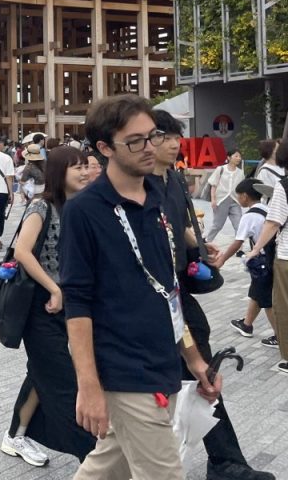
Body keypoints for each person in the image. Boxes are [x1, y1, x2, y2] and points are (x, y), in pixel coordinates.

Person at [60, 95, 221, 479]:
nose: (150, 147)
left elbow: (169, 289)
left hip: (161, 356)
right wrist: (88, 386)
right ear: (104, 148)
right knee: (164, 472)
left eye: (153, 135)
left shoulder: (159, 197)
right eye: (135, 141)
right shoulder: (84, 211)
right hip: (122, 368)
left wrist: (194, 359)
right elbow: (77, 303)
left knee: (107, 465)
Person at [151, 109, 273, 480]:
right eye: (164, 136)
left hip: (175, 290)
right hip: (147, 298)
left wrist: (202, 248)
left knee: (201, 370)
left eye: (176, 136)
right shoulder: (135, 186)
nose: (174, 144)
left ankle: (224, 461)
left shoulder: (172, 179)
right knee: (169, 381)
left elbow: (179, 225)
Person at [3, 146, 94, 467]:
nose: (85, 172)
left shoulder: (78, 206)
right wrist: (54, 288)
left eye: (86, 166)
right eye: (77, 168)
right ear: (59, 172)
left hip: (68, 304)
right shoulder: (41, 206)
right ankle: (92, 456)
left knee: (41, 372)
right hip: (39, 305)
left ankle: (15, 435)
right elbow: (22, 251)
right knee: (63, 379)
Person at [244, 137, 288, 376]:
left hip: (286, 256)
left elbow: (272, 222)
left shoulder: (284, 186)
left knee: (284, 307)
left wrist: (255, 249)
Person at [217, 179, 277, 346]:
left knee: (266, 300)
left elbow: (238, 243)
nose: (238, 199)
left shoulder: (249, 216)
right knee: (257, 293)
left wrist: (222, 259)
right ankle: (247, 325)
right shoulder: (267, 209)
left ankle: (279, 337)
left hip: (263, 262)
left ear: (244, 196)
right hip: (274, 258)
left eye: (238, 196)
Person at [205, 149, 245, 242]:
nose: (238, 158)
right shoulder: (221, 169)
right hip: (221, 201)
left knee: (239, 225)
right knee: (217, 225)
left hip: (235, 201)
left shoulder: (240, 172)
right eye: (236, 156)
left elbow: (242, 188)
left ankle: (239, 247)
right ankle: (207, 241)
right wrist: (213, 200)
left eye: (239, 156)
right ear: (229, 157)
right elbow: (214, 185)